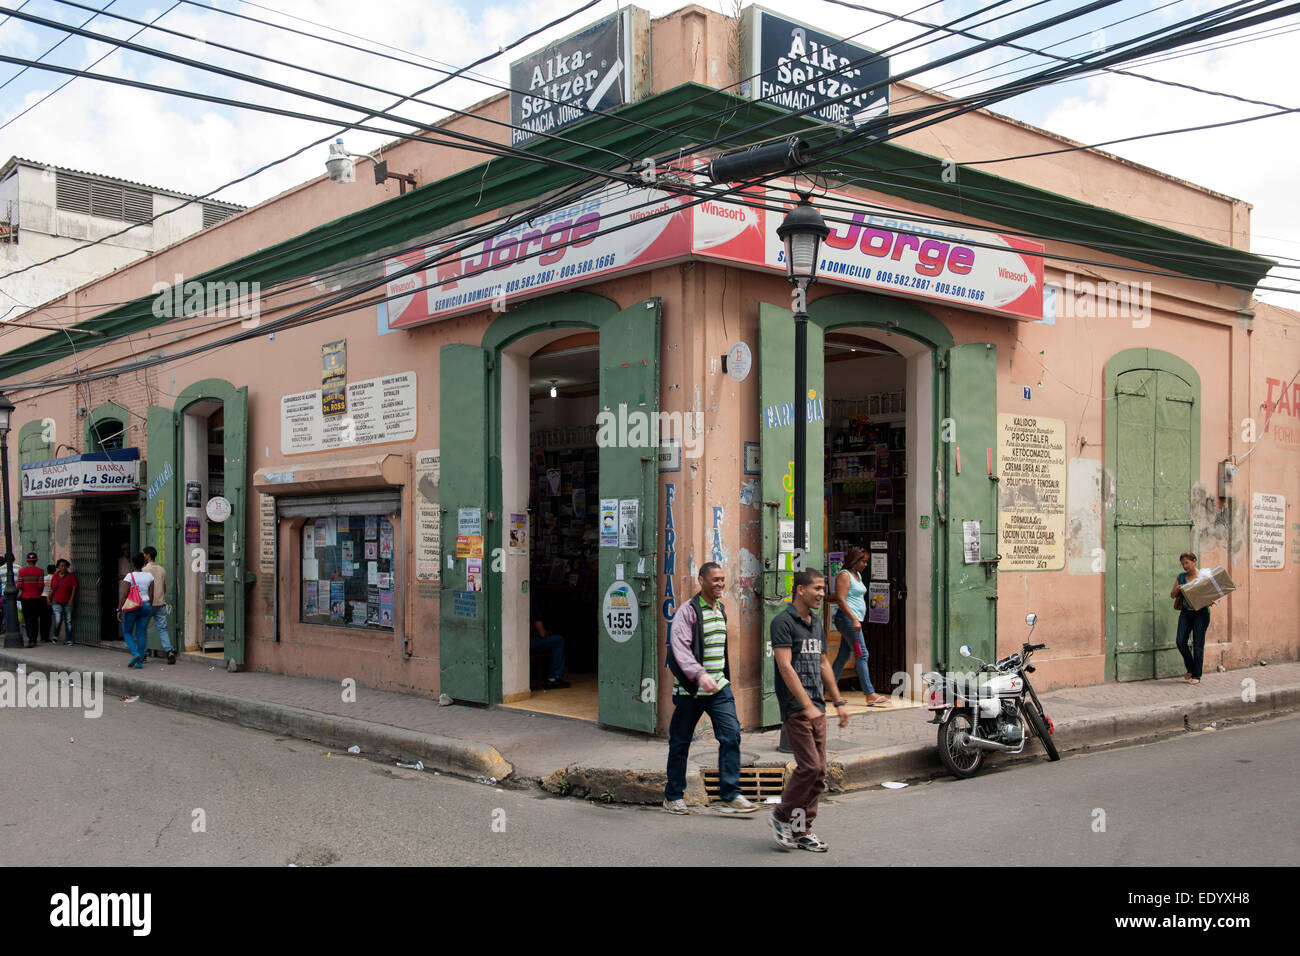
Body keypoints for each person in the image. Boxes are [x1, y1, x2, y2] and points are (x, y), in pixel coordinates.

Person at [662, 563, 758, 815]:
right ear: (701, 580)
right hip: (691, 690)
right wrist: (699, 674)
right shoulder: (688, 611)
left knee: (731, 735)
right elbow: (679, 649)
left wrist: (717, 677)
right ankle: (673, 795)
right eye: (714, 579)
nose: (720, 584)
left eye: (723, 580)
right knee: (680, 742)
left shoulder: (721, 610)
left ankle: (730, 794)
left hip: (718, 688)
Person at [769, 568, 849, 852]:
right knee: (810, 767)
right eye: (816, 588)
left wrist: (838, 702)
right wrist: (805, 705)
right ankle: (781, 815)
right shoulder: (782, 622)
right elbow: (785, 666)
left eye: (822, 588)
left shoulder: (816, 623)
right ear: (800, 590)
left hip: (818, 708)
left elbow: (824, 662)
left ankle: (802, 830)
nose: (821, 593)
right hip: (796, 708)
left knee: (818, 774)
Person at [831, 547, 889, 705]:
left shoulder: (858, 575)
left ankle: (830, 691)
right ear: (854, 560)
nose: (865, 564)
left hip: (853, 621)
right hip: (848, 621)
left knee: (843, 655)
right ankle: (869, 693)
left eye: (866, 562)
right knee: (862, 654)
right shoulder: (845, 575)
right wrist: (854, 619)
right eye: (863, 561)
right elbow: (841, 599)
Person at [1170, 551, 1214, 685]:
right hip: (1185, 613)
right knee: (1180, 641)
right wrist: (1177, 589)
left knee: (1198, 644)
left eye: (1187, 563)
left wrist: (1208, 600)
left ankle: (1196, 675)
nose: (1185, 566)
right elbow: (1172, 595)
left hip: (1201, 614)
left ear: (1194, 561)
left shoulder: (1203, 577)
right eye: (1183, 564)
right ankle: (1190, 667)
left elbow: (1212, 598)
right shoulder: (1181, 577)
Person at [117, 552, 156, 670]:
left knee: (127, 632)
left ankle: (135, 654)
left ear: (133, 564)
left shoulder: (130, 576)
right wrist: (150, 607)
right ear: (144, 563)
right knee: (141, 633)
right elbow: (151, 594)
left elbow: (124, 595)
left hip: (132, 606)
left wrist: (119, 609)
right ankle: (139, 662)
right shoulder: (149, 576)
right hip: (146, 606)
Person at [142, 546, 176, 664]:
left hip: (148, 603)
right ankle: (169, 651)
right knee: (162, 629)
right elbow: (164, 588)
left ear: (148, 556)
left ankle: (143, 654)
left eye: (144, 554)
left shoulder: (144, 570)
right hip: (161, 603)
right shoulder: (162, 569)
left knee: (143, 628)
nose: (144, 556)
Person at [529, 596, 569, 689]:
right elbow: (542, 634)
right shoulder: (532, 607)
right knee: (559, 640)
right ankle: (553, 678)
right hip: (529, 642)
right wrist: (548, 632)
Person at [16, 551, 46, 648]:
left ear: (27, 560)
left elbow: (19, 585)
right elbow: (41, 585)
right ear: (36, 560)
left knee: (28, 619)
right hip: (37, 598)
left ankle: (30, 639)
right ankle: (35, 638)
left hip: (25, 598)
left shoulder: (22, 571)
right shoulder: (40, 571)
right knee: (35, 618)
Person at [50, 559, 77, 645]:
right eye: (61, 566)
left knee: (68, 621)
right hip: (56, 601)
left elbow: (74, 588)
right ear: (58, 567)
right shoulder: (55, 576)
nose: (63, 567)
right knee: (58, 619)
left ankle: (68, 639)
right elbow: (53, 588)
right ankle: (55, 635)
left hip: (67, 601)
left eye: (65, 566)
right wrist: (48, 597)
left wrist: (71, 600)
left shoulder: (71, 576)